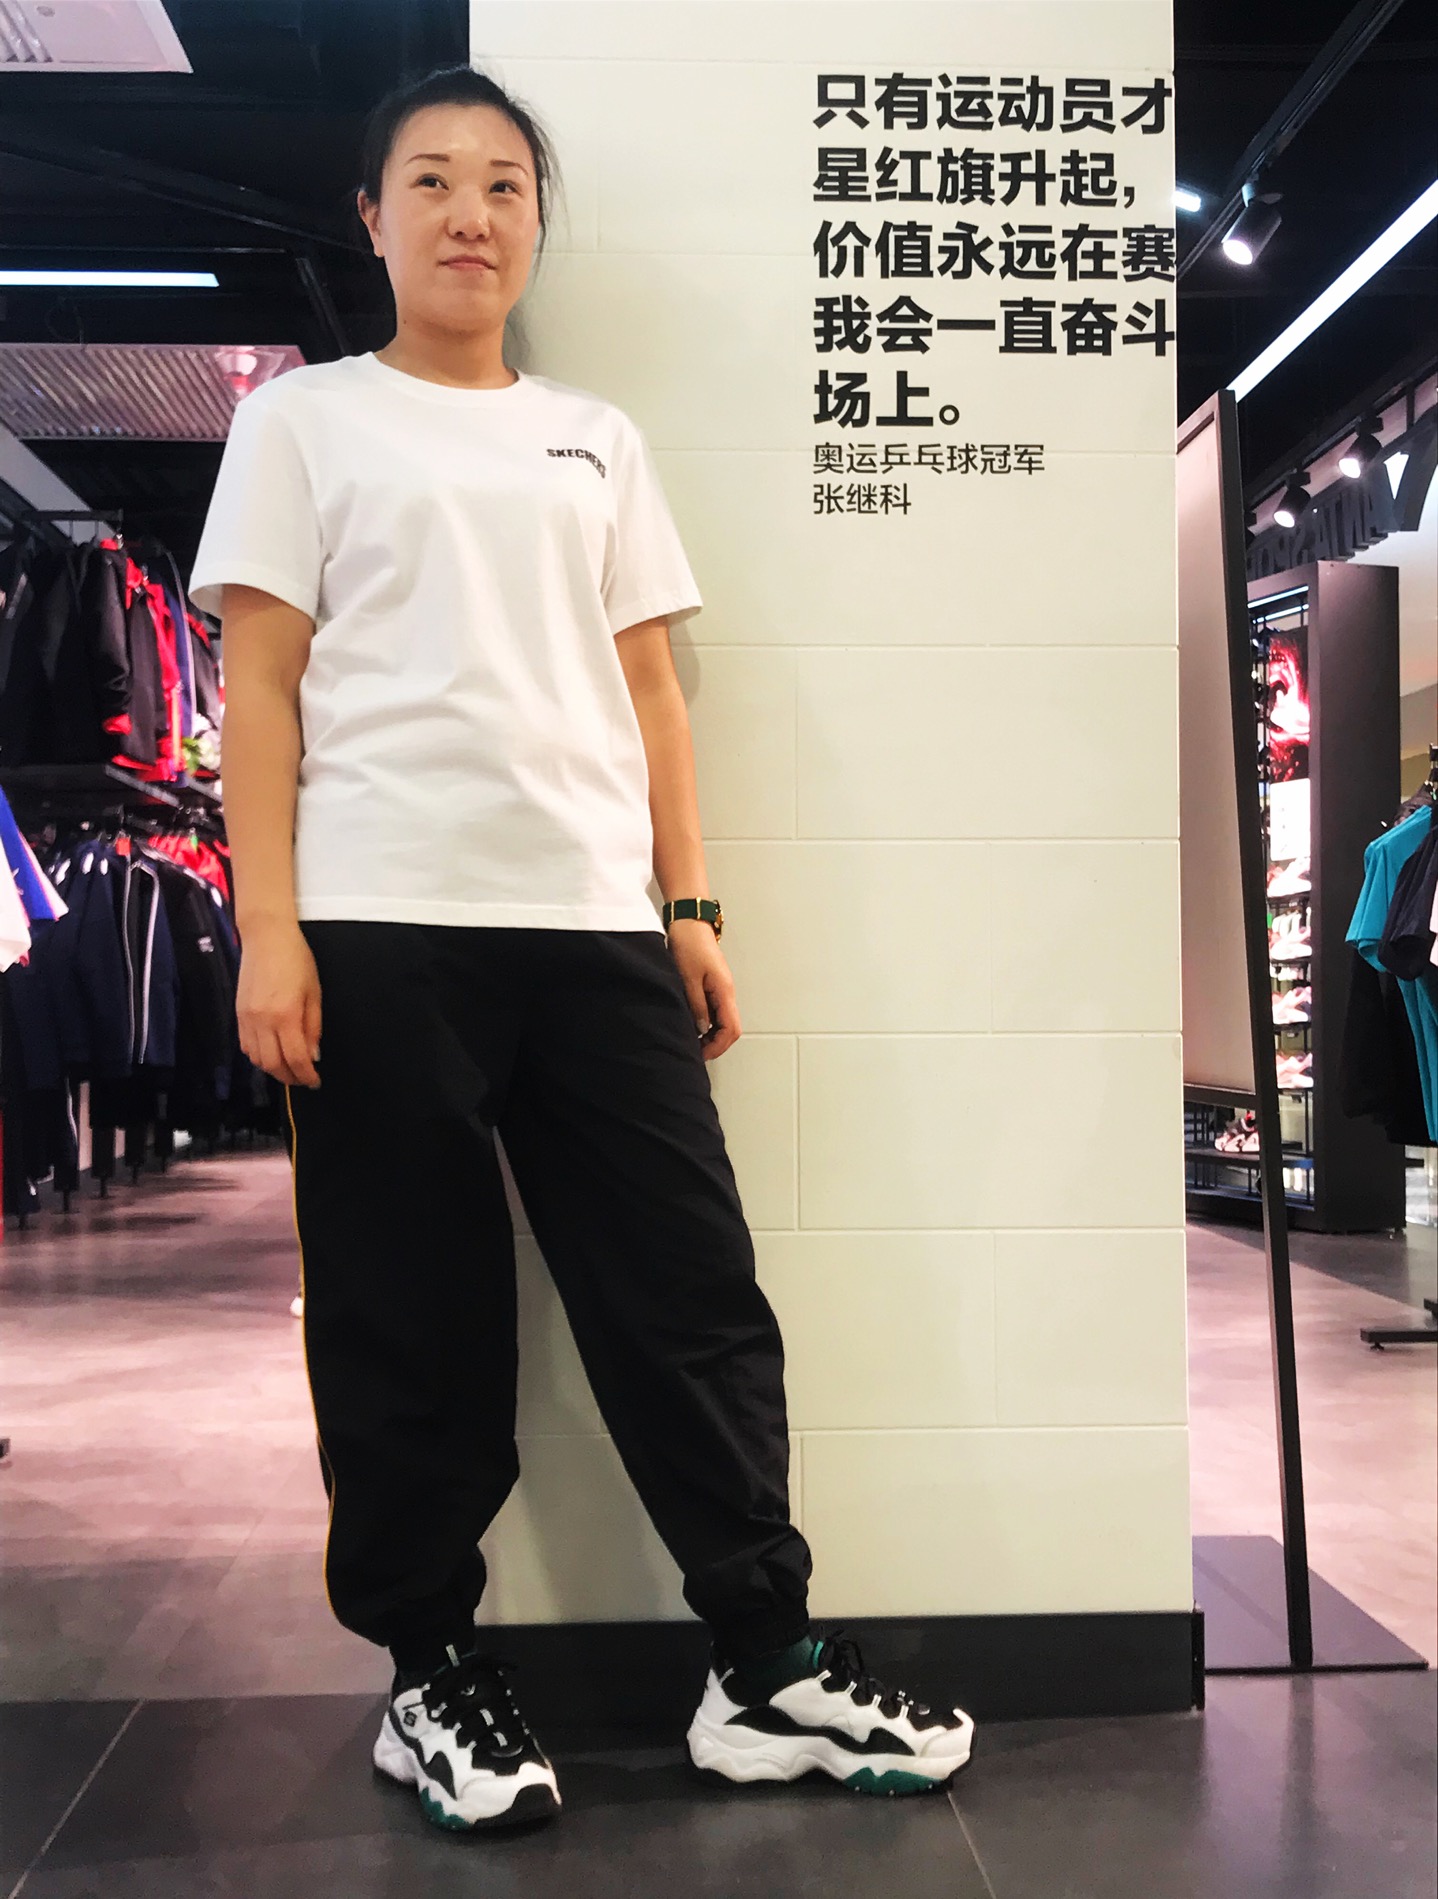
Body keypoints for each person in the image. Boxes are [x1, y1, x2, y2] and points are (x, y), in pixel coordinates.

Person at [189, 62, 974, 1834]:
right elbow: (260, 689)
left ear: (535, 223)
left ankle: (762, 1663)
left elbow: (651, 697)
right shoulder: (303, 422)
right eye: (431, 181)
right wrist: (269, 929)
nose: (470, 214)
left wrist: (686, 907)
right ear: (371, 218)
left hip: (593, 928)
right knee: (410, 1313)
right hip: (379, 927)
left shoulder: (594, 437)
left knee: (688, 1295)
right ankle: (427, 1673)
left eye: (504, 186)